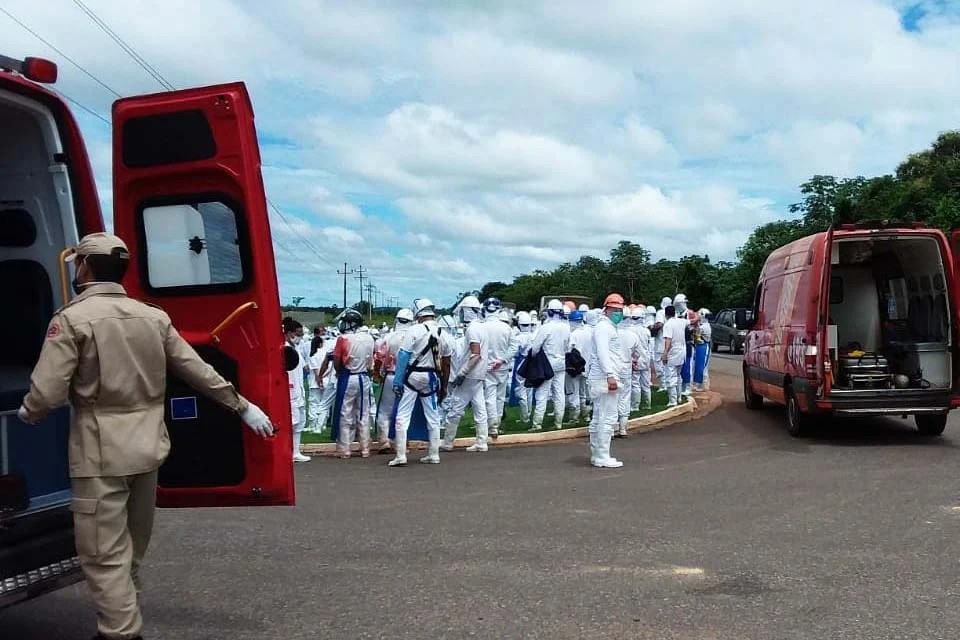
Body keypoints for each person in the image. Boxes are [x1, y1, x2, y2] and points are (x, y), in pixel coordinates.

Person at [17, 233, 274, 640]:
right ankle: (122, 625)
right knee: (129, 553)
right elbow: (197, 370)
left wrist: (28, 413)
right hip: (148, 448)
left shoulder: (71, 320)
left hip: (99, 453)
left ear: (83, 267)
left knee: (103, 557)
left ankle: (121, 633)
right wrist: (242, 406)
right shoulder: (153, 317)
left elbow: (45, 394)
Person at [389, 299, 452, 466]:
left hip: (413, 376)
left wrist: (397, 381)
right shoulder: (443, 333)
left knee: (403, 416)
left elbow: (403, 356)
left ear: (418, 313)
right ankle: (434, 453)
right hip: (431, 378)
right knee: (433, 417)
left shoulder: (414, 330)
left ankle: (401, 454)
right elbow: (446, 362)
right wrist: (444, 386)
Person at [441, 295, 490, 452]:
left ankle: (448, 442)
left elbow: (475, 354)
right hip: (479, 374)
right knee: (479, 407)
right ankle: (481, 441)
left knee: (456, 407)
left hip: (470, 375)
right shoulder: (482, 327)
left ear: (467, 311)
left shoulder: (473, 329)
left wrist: (461, 373)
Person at [328, 309, 375, 458]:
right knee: (364, 413)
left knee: (345, 413)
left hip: (349, 377)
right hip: (364, 377)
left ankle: (345, 449)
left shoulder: (343, 339)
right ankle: (365, 448)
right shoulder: (369, 338)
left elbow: (337, 361)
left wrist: (339, 370)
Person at [587, 294, 625, 468]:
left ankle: (598, 454)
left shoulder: (606, 327)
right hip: (604, 377)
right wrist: (610, 375)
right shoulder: (604, 328)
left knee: (599, 416)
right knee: (607, 417)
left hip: (602, 376)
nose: (618, 313)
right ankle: (602, 455)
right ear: (606, 309)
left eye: (620, 310)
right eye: (615, 310)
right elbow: (603, 353)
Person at [373, 308, 415, 452]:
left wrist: (377, 374)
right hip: (410, 378)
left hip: (390, 375)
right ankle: (402, 442)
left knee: (385, 410)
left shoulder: (388, 337)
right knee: (406, 410)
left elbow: (378, 357)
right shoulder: (414, 336)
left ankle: (384, 439)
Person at [529, 299, 570, 431]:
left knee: (542, 393)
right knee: (559, 393)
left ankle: (537, 423)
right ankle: (558, 422)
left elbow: (535, 348)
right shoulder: (566, 327)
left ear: (550, 312)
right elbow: (568, 348)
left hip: (547, 364)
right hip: (561, 363)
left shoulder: (546, 327)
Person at [481, 298, 513, 439]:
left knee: (489, 398)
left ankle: (492, 427)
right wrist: (502, 359)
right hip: (502, 367)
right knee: (500, 398)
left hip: (486, 367)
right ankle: (497, 425)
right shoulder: (506, 327)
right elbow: (514, 347)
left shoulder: (481, 327)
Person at [283, 317, 311, 462]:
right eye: (297, 334)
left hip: (299, 389)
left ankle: (296, 451)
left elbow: (303, 367)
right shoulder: (284, 348)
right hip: (289, 389)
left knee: (299, 421)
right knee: (291, 422)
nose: (299, 337)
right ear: (289, 333)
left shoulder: (296, 349)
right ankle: (287, 452)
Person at [616, 308, 642, 437]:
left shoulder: (611, 333)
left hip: (612, 369)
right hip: (626, 368)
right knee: (625, 398)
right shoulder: (632, 335)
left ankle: (609, 431)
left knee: (611, 399)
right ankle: (622, 429)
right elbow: (637, 354)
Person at [306, 334, 336, 434]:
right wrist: (323, 377)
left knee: (314, 403)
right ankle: (321, 425)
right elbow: (329, 367)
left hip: (315, 382)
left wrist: (319, 379)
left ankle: (313, 425)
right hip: (327, 380)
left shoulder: (313, 355)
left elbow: (315, 371)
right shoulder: (325, 353)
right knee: (325, 403)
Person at [661, 305, 688, 407]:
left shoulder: (668, 324)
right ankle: (679, 397)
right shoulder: (681, 321)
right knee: (678, 375)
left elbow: (668, 340)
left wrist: (665, 353)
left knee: (670, 376)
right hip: (682, 352)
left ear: (666, 314)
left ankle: (673, 400)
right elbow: (693, 321)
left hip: (673, 352)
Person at [565, 309, 589, 423]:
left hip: (575, 367)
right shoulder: (589, 332)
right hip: (587, 366)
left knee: (573, 392)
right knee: (583, 392)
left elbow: (568, 350)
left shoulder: (573, 334)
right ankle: (586, 414)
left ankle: (574, 417)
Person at [511, 310, 535, 421]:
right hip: (532, 363)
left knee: (521, 390)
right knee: (529, 389)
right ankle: (528, 414)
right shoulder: (534, 336)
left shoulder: (519, 337)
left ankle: (524, 416)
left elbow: (515, 351)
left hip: (522, 362)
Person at [630, 307, 654, 410]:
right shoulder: (646, 331)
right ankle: (647, 405)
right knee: (646, 383)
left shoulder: (630, 330)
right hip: (645, 358)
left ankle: (635, 406)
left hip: (636, 359)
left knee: (635, 383)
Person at [694, 308, 712, 391]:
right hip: (700, 346)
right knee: (698, 366)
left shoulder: (705, 327)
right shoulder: (702, 326)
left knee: (703, 367)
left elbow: (697, 336)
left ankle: (703, 385)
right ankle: (698, 383)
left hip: (704, 346)